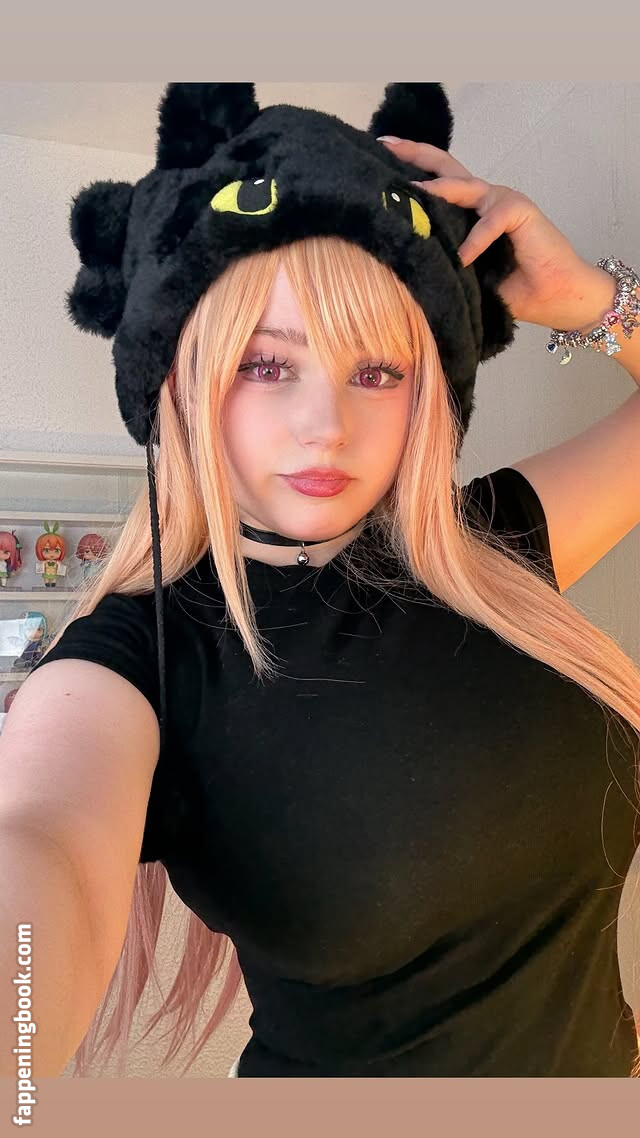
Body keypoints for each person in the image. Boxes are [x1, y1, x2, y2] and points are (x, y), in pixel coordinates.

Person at [1, 83, 640, 1081]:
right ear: (180, 382)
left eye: (377, 372)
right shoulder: (142, 659)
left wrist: (598, 302)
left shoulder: (489, 548)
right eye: (267, 365)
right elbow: (42, 844)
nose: (326, 427)